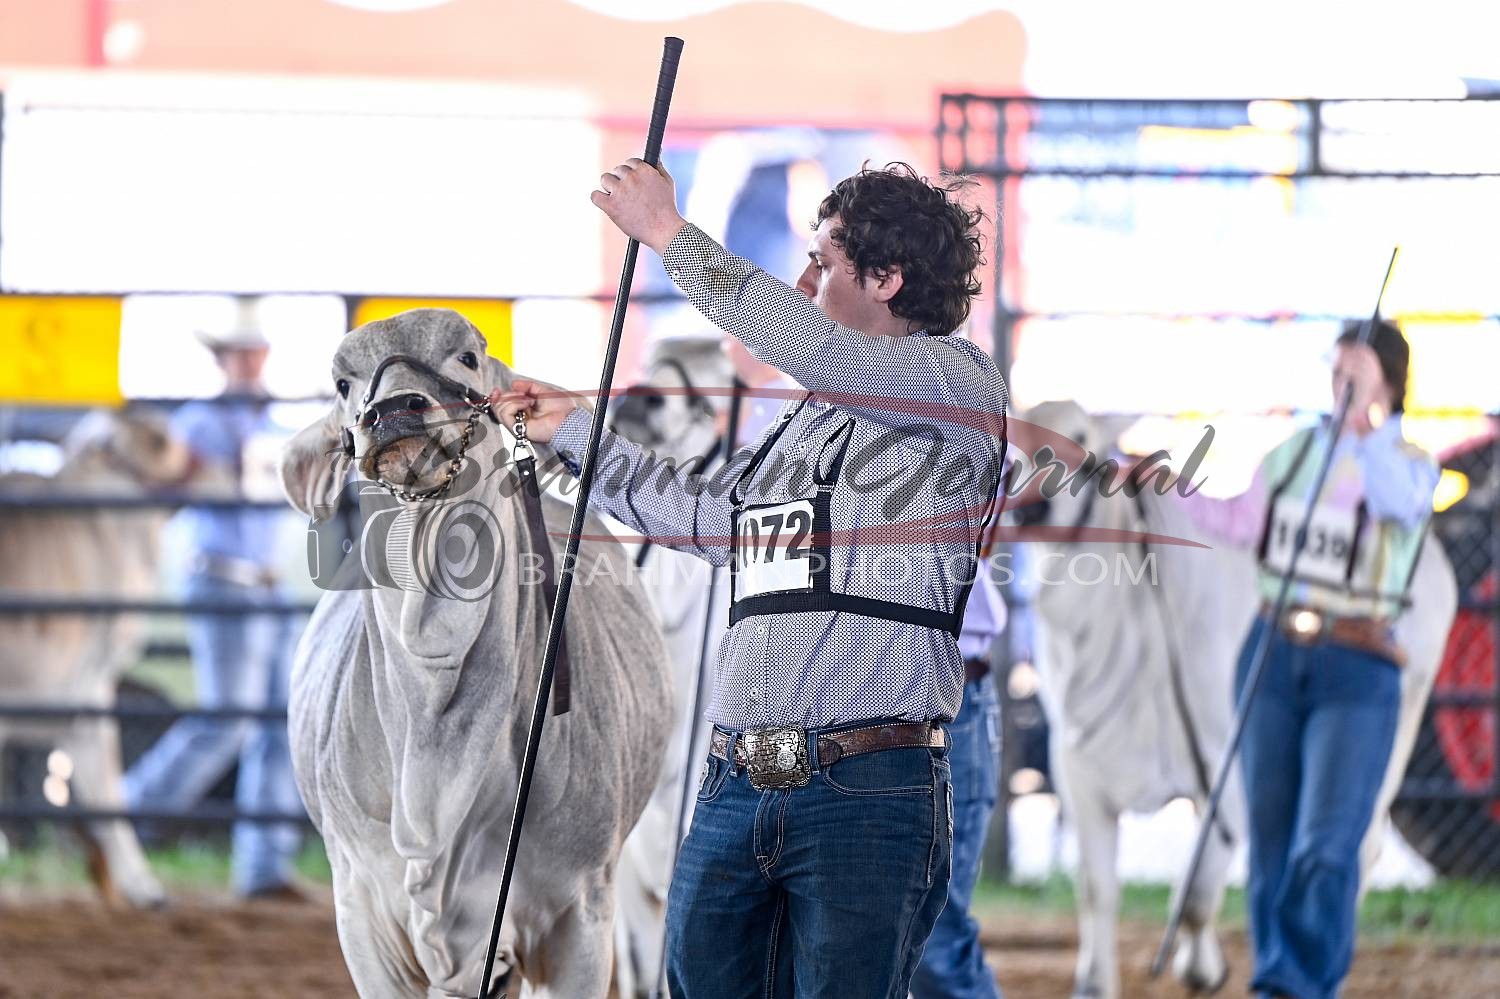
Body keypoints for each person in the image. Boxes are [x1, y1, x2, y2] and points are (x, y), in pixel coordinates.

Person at [499, 160, 1008, 997]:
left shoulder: (955, 384)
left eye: (824, 261)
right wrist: (571, 430)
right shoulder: (798, 429)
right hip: (738, 780)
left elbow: (804, 343)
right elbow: (708, 523)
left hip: (868, 788)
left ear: (886, 278)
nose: (803, 280)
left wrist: (669, 233)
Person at [1175, 320, 1437, 999]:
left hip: (1357, 663)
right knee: (1270, 833)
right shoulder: (1293, 454)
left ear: (1388, 378)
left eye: (1360, 366)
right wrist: (1168, 483)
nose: (1342, 376)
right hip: (1272, 650)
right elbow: (1242, 523)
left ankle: (1300, 982)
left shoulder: (1408, 460)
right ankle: (1276, 977)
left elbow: (1397, 506)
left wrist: (1367, 424)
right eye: (1338, 364)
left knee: (1325, 838)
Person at [123, 313, 306, 901]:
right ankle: (121, 817)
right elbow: (178, 484)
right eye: (240, 354)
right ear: (223, 361)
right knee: (229, 718)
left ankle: (263, 869)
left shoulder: (270, 423)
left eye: (256, 352)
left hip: (264, 582)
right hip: (224, 578)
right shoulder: (201, 421)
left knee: (277, 722)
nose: (250, 362)